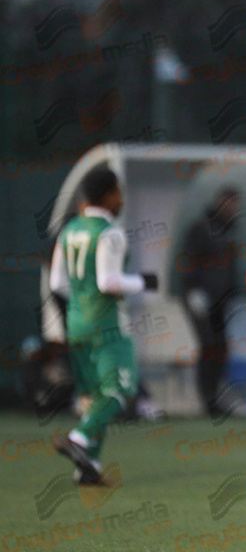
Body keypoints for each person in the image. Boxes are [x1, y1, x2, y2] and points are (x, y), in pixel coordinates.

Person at [49, 166, 159, 484]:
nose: (121, 199)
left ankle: (88, 468)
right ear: (109, 195)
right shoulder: (110, 232)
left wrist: (79, 308)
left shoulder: (69, 230)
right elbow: (108, 282)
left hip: (77, 324)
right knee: (120, 391)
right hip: (107, 326)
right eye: (118, 192)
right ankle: (79, 437)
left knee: (94, 398)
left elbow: (57, 284)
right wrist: (144, 282)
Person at [178, 187, 241, 416]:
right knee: (209, 345)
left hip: (220, 301)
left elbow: (229, 267)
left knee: (220, 348)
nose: (232, 209)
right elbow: (188, 260)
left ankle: (214, 397)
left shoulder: (229, 230)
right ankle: (206, 398)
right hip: (200, 297)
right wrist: (193, 289)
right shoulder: (200, 228)